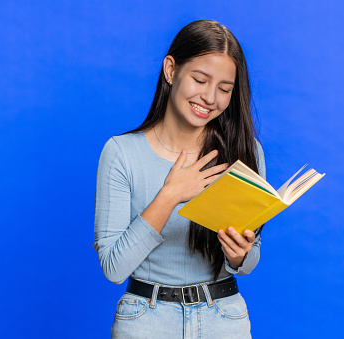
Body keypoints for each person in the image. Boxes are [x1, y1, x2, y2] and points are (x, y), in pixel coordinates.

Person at [94, 20, 265, 338]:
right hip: (146, 320)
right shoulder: (121, 153)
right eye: (200, 80)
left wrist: (239, 254)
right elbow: (114, 268)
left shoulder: (243, 149)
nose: (211, 98)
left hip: (224, 318)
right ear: (171, 70)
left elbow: (250, 258)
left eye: (224, 89)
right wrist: (170, 194)